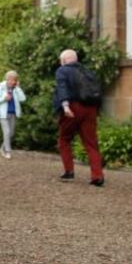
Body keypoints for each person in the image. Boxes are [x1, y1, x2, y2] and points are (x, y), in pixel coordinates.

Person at [54, 49, 104, 186]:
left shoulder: (62, 71)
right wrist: (97, 110)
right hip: (91, 109)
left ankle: (69, 171)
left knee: (64, 139)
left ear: (64, 61)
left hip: (73, 107)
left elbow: (62, 88)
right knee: (91, 142)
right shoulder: (88, 71)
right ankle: (97, 176)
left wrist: (65, 106)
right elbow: (98, 91)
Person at [0, 70, 26, 159]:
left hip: (13, 114)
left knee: (11, 134)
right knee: (6, 132)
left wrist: (18, 88)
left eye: (14, 80)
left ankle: (2, 148)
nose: (12, 82)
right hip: (3, 115)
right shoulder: (1, 88)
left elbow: (23, 99)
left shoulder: (16, 89)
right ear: (6, 80)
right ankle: (8, 151)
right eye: (10, 80)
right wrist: (4, 99)